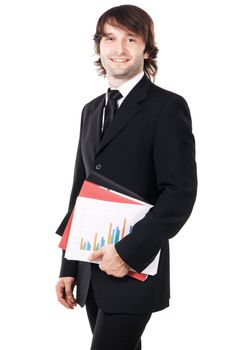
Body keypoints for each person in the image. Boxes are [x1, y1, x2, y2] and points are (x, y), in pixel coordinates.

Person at [55, 5, 197, 350]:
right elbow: (81, 191)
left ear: (146, 49)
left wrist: (128, 253)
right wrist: (68, 264)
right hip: (91, 269)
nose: (119, 49)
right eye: (110, 38)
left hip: (134, 268)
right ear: (98, 46)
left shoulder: (167, 107)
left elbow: (179, 193)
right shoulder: (91, 110)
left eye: (131, 39)